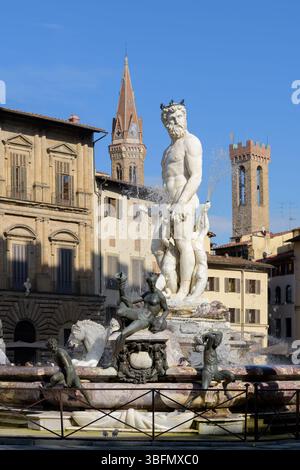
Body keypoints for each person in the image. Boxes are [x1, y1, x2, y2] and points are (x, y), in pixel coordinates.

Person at [160, 100, 202, 302]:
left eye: (178, 117)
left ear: (185, 118)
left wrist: (181, 202)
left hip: (185, 201)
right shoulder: (167, 151)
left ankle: (184, 290)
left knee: (183, 243)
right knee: (159, 246)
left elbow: (196, 176)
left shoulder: (191, 141)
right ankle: (169, 287)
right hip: (169, 205)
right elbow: (165, 182)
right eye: (170, 119)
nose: (174, 122)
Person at [114, 272, 169, 355]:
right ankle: (122, 281)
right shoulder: (147, 293)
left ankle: (114, 356)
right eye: (149, 283)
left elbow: (166, 310)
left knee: (123, 334)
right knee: (120, 311)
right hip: (139, 312)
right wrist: (121, 287)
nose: (151, 284)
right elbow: (129, 301)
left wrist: (161, 319)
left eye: (153, 282)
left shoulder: (160, 296)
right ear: (148, 283)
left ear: (155, 282)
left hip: (146, 318)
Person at [44, 338, 92, 406]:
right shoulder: (54, 353)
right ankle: (50, 388)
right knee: (53, 379)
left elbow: (68, 367)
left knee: (80, 387)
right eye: (50, 346)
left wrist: (68, 381)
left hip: (70, 372)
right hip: (63, 372)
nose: (51, 347)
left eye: (52, 345)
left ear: (55, 344)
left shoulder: (60, 352)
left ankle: (90, 402)